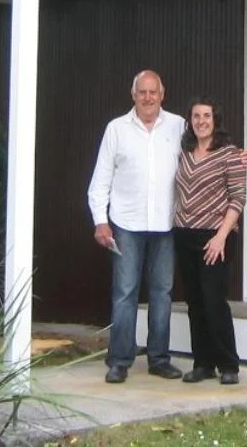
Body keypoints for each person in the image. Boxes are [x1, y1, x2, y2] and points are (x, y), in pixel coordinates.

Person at [87, 70, 186, 383]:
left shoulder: (178, 125)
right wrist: (100, 221)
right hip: (126, 224)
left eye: (152, 92)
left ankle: (159, 359)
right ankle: (119, 360)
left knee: (162, 293)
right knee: (125, 294)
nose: (147, 98)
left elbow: (204, 154)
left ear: (162, 93)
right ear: (133, 96)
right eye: (142, 92)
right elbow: (100, 180)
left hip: (166, 224)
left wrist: (236, 157)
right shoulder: (116, 129)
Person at [172, 96, 246, 385]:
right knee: (195, 302)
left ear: (215, 120)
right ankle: (203, 363)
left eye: (206, 116)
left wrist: (221, 237)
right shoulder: (184, 152)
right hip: (185, 234)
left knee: (214, 301)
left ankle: (229, 364)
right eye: (196, 116)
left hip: (216, 237)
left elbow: (238, 198)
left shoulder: (230, 154)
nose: (201, 121)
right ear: (190, 121)